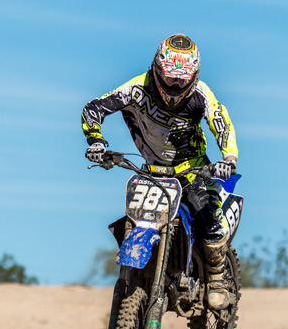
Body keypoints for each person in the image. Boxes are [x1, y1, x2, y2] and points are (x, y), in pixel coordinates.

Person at [81, 34, 239, 310]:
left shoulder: (201, 94)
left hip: (192, 171)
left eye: (181, 80)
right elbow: (94, 108)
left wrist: (229, 158)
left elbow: (220, 121)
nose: (175, 85)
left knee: (207, 215)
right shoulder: (136, 88)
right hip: (152, 173)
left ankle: (216, 278)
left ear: (194, 76)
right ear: (156, 69)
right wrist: (96, 141)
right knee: (133, 217)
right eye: (169, 78)